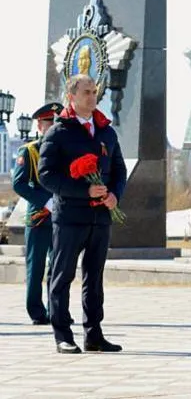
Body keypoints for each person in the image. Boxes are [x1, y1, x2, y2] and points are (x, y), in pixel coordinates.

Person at [38, 74, 127, 354]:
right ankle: (62, 335)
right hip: (69, 219)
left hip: (100, 219)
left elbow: (119, 170)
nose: (92, 96)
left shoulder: (106, 132)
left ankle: (94, 334)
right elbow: (46, 176)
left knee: (94, 278)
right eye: (87, 92)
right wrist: (82, 191)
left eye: (94, 91)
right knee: (62, 276)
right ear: (71, 96)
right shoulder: (58, 132)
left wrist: (114, 195)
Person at [12, 102, 64, 325]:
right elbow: (19, 184)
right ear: (40, 125)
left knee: (59, 266)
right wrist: (46, 201)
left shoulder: (64, 150)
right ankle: (36, 311)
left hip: (62, 216)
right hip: (39, 217)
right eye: (48, 122)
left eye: (56, 122)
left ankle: (57, 311)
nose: (52, 126)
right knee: (36, 267)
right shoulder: (30, 150)